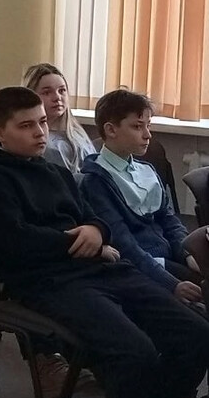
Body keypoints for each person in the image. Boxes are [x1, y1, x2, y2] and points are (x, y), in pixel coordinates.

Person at [0, 86, 209, 398]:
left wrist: (96, 230)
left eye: (42, 122)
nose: (40, 132)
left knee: (197, 334)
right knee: (134, 352)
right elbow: (15, 241)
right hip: (47, 283)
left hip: (101, 270)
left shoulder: (56, 172)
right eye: (26, 126)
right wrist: (78, 240)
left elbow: (94, 218)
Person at [80, 90, 204, 298]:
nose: (147, 134)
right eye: (137, 126)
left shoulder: (146, 170)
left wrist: (187, 254)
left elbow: (169, 221)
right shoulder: (96, 181)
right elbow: (124, 244)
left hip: (169, 256)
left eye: (148, 125)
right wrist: (172, 284)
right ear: (111, 130)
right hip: (142, 268)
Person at [23, 63, 96, 172]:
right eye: (47, 92)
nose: (57, 97)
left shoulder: (77, 133)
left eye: (62, 91)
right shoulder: (39, 143)